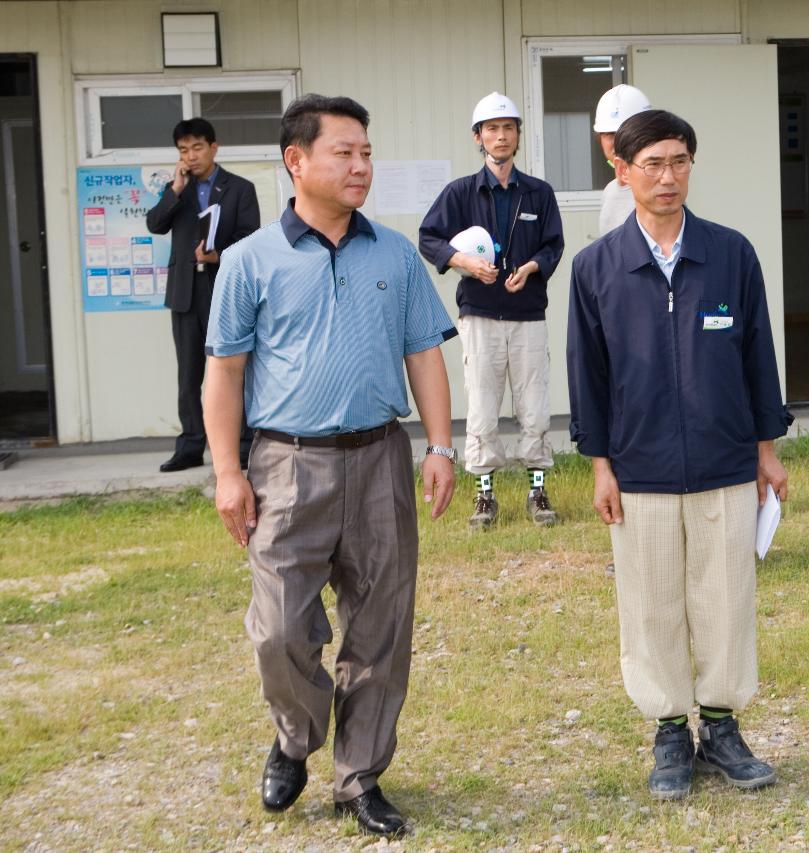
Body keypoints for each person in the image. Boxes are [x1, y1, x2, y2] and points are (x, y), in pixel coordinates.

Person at [204, 94, 458, 837]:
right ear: (297, 161)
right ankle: (294, 737)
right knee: (280, 627)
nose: (361, 166)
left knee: (381, 624)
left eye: (367, 153)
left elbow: (425, 352)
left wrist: (441, 446)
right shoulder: (251, 260)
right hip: (286, 463)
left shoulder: (394, 253)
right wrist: (227, 470)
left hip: (380, 458)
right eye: (344, 152)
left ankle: (360, 777)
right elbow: (223, 374)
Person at [567, 110, 792, 801]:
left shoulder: (730, 254)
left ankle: (721, 725)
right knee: (651, 601)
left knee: (725, 598)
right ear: (622, 170)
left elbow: (758, 358)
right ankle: (669, 728)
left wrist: (766, 449)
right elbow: (588, 376)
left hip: (726, 461)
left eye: (680, 161)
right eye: (653, 164)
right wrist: (601, 465)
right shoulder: (597, 267)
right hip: (640, 469)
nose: (668, 177)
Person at [418, 92, 565, 530]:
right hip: (479, 313)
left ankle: (538, 490)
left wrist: (534, 266)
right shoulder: (460, 192)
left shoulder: (539, 193)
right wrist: (463, 262)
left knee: (534, 403)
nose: (500, 136)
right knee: (481, 404)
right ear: (478, 137)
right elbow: (429, 238)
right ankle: (485, 495)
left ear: (518, 136)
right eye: (492, 129)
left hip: (528, 314)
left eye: (509, 128)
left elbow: (553, 244)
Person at [146, 117, 259, 472]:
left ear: (214, 147)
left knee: (233, 368)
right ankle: (191, 446)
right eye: (183, 150)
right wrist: (175, 190)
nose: (190, 156)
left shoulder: (239, 188)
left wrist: (219, 254)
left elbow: (249, 237)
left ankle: (244, 443)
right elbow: (154, 224)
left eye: (197, 148)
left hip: (224, 289)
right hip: (184, 294)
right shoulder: (175, 189)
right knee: (189, 374)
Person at [594, 83, 652, 235]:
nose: (618, 142)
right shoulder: (610, 191)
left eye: (625, 133)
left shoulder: (657, 187)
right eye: (610, 134)